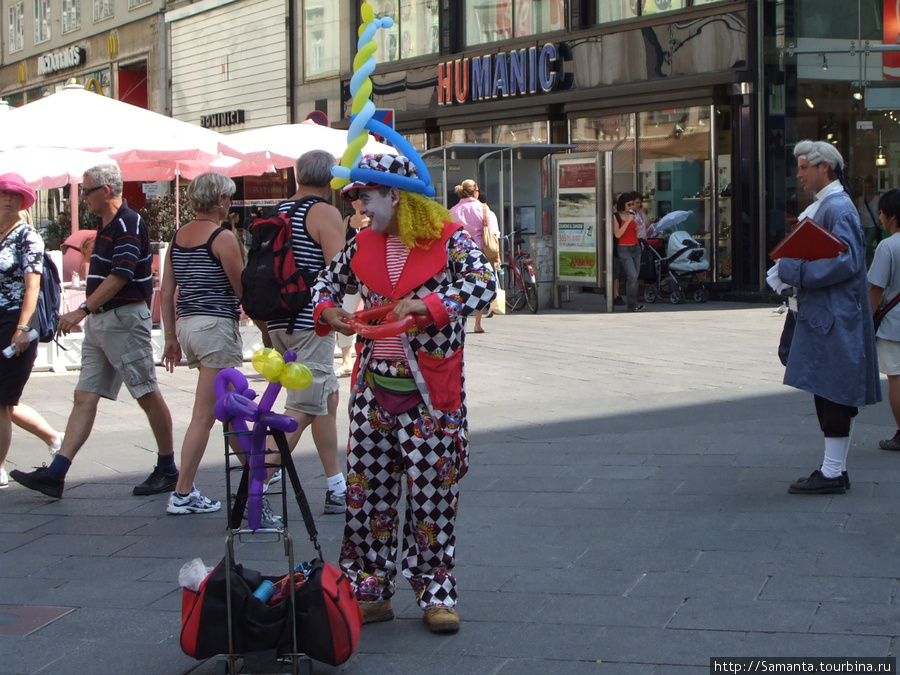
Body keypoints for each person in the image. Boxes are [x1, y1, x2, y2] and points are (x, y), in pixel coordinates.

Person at [315, 153, 496, 634]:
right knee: (367, 493)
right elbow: (326, 285)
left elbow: (484, 283)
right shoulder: (362, 242)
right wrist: (328, 311)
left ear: (394, 194)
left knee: (433, 494)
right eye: (356, 196)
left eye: (365, 195)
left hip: (430, 393)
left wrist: (432, 303)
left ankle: (436, 592)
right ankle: (370, 590)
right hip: (373, 389)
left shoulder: (450, 239)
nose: (359, 204)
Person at [10, 163, 178, 499]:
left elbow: (122, 275)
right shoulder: (106, 225)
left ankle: (168, 467)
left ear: (105, 191)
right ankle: (56, 473)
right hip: (103, 321)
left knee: (145, 392)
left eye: (86, 191)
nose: (82, 197)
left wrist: (81, 309)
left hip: (123, 319)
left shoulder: (128, 223)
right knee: (84, 395)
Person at [767, 140, 880, 495]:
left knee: (832, 390)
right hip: (831, 312)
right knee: (832, 389)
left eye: (804, 167)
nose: (798, 174)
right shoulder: (834, 204)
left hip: (833, 314)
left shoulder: (837, 207)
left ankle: (833, 472)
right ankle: (835, 469)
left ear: (823, 168)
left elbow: (846, 262)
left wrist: (794, 270)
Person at [264, 149, 347, 516]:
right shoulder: (324, 213)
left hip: (278, 321)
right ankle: (257, 477)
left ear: (298, 175)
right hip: (311, 321)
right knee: (303, 406)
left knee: (325, 398)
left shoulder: (277, 212)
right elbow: (341, 269)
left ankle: (336, 486)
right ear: (331, 179)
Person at [160, 172, 245, 515]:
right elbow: (242, 289)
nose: (230, 204)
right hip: (215, 326)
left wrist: (169, 337)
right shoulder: (222, 238)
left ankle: (258, 469)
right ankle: (182, 492)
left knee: (225, 404)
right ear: (220, 200)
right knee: (204, 414)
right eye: (229, 198)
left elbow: (166, 291)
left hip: (187, 326)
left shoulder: (177, 237)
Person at [0, 173, 61, 488]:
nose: (8, 199)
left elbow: (32, 285)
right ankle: (54, 437)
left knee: (2, 398)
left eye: (14, 195)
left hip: (15, 321)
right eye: (3, 194)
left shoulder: (27, 236)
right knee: (6, 400)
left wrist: (23, 327)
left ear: (23, 202)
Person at [869, 188, 900, 451]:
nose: (879, 217)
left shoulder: (888, 247)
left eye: (881, 212)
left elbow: (876, 288)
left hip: (894, 325)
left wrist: (866, 319)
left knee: (897, 379)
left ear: (892, 216)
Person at [449, 179, 500, 333]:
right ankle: (477, 323)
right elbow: (493, 234)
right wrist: (496, 256)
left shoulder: (453, 210)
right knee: (480, 285)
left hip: (457, 254)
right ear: (475, 192)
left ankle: (459, 319)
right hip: (479, 253)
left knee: (458, 286)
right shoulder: (483, 209)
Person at [335, 198, 369, 377]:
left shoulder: (372, 220)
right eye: (354, 198)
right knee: (346, 313)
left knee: (373, 312)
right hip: (350, 274)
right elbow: (340, 247)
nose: (357, 201)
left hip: (370, 272)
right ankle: (346, 359)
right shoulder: (347, 220)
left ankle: (366, 355)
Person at [612, 192, 644, 312]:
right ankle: (632, 304)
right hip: (624, 248)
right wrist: (628, 222)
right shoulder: (616, 216)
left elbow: (633, 233)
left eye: (632, 204)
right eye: (629, 204)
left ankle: (632, 304)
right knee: (632, 275)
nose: (631, 207)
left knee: (634, 278)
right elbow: (618, 234)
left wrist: (638, 229)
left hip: (635, 247)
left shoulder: (632, 215)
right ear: (623, 204)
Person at [857, 175, 880, 265]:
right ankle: (864, 261)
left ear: (872, 188)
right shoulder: (860, 200)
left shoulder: (877, 199)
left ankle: (867, 262)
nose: (867, 189)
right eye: (865, 187)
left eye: (869, 187)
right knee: (862, 244)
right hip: (862, 226)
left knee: (868, 243)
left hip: (873, 225)